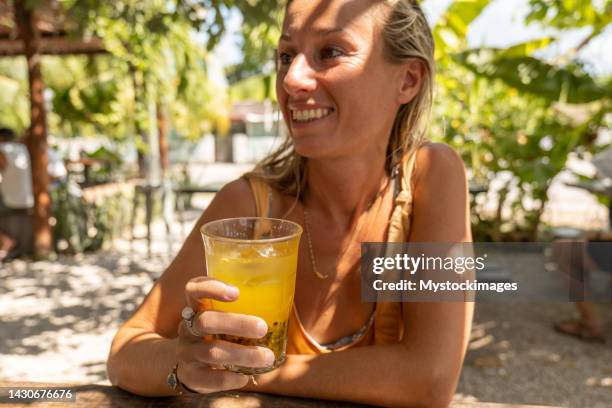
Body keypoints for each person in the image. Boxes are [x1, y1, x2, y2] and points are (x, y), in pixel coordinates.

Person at [107, 1, 474, 406]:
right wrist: (184, 363)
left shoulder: (430, 177)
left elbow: (429, 378)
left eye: (330, 52)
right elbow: (126, 353)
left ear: (407, 79)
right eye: (285, 56)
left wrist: (246, 373)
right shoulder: (247, 207)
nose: (292, 79)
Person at [0, 127, 34, 262]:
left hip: (10, 200)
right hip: (27, 198)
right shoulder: (23, 149)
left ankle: (6, 241)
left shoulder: (2, 150)